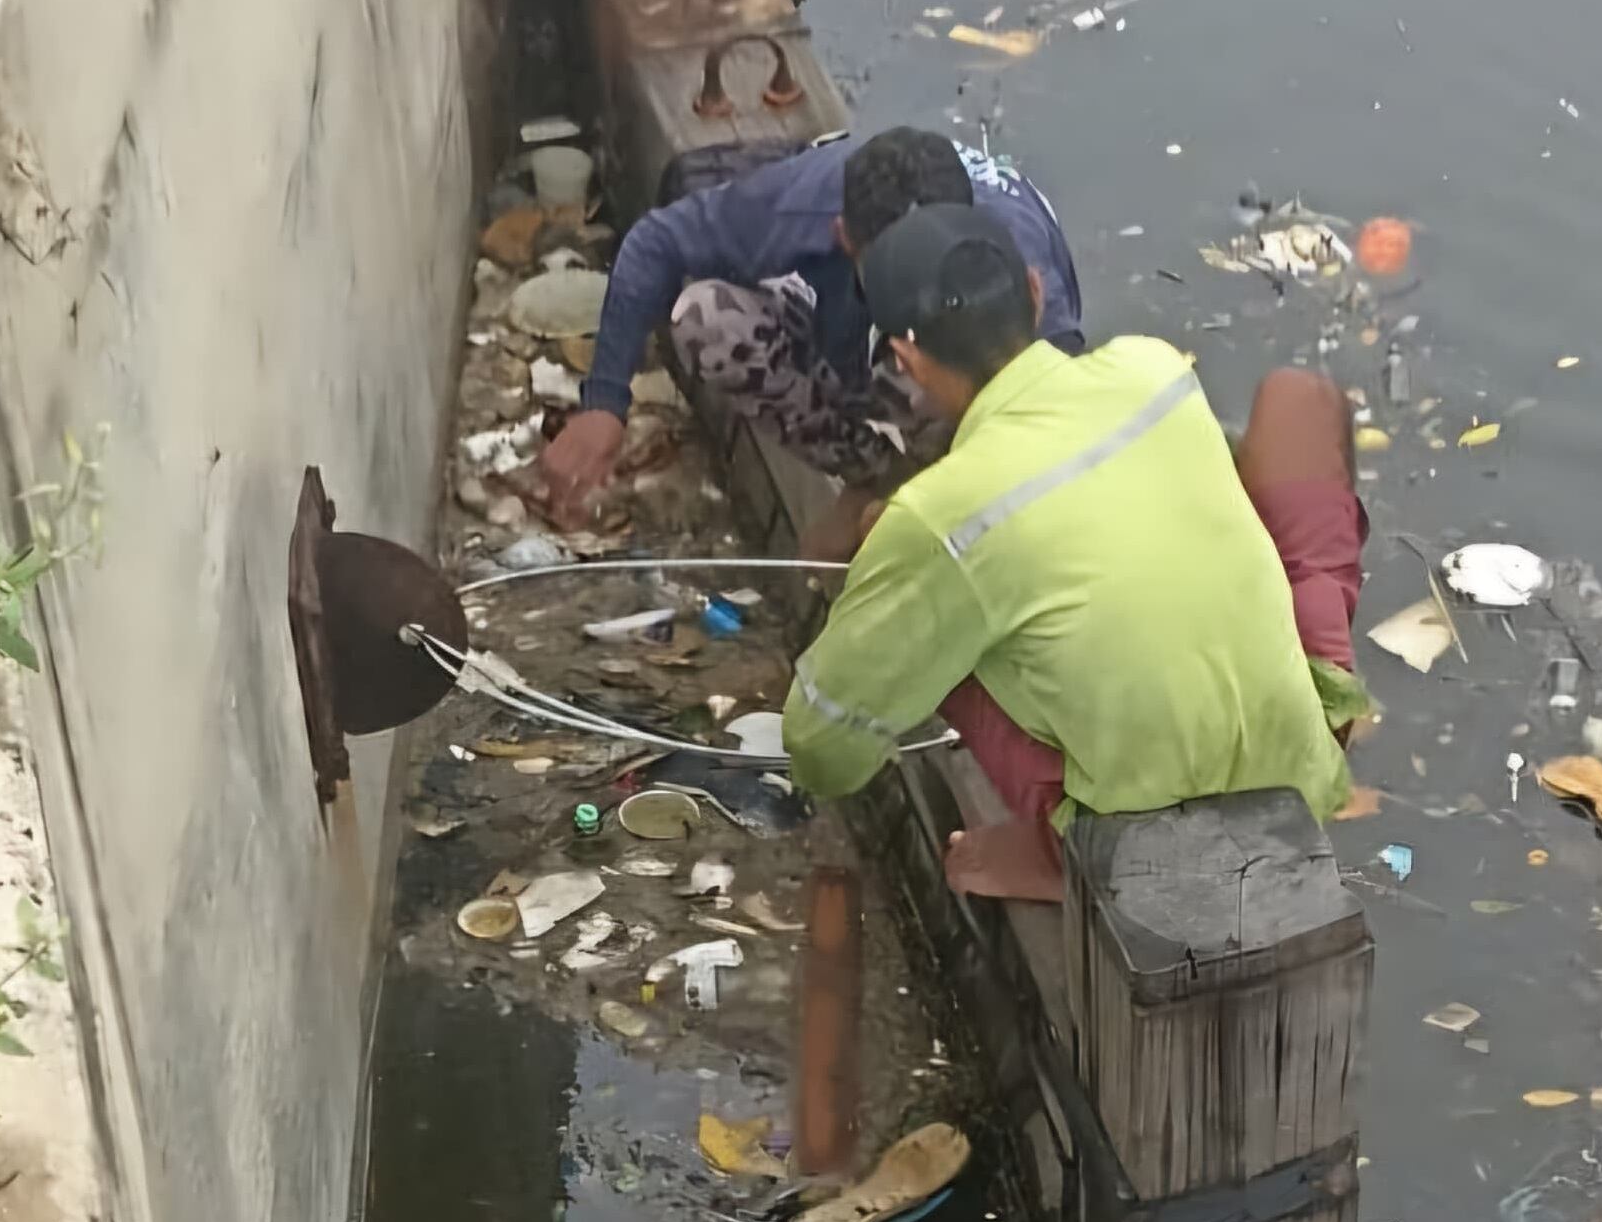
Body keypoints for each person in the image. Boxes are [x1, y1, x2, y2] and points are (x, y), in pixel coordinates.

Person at [782, 204, 1370, 899]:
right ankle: (1316, 701)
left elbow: (822, 750)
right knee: (1298, 401)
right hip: (1297, 772)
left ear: (906, 360)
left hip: (1147, 854)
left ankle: (1058, 856)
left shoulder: (941, 517)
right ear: (1034, 291)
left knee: (930, 609)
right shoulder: (1151, 367)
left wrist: (882, 586)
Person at [533, 127, 1083, 518]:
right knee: (705, 315)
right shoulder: (809, 199)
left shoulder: (1021, 274)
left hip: (965, 384)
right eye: (890, 275)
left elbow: (1048, 438)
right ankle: (877, 476)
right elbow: (656, 242)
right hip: (846, 331)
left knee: (973, 415)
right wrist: (605, 403)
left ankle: (915, 487)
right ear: (845, 236)